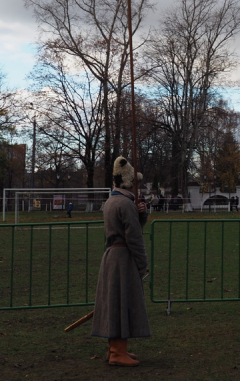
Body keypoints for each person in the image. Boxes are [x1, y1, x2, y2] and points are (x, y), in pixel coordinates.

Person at [91, 157, 149, 367]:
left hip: (112, 258)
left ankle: (115, 348)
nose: (138, 186)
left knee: (115, 302)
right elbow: (134, 237)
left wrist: (140, 215)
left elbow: (132, 227)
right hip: (123, 260)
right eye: (136, 183)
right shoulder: (125, 204)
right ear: (128, 183)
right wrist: (142, 264)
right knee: (121, 303)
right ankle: (117, 352)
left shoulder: (111, 201)